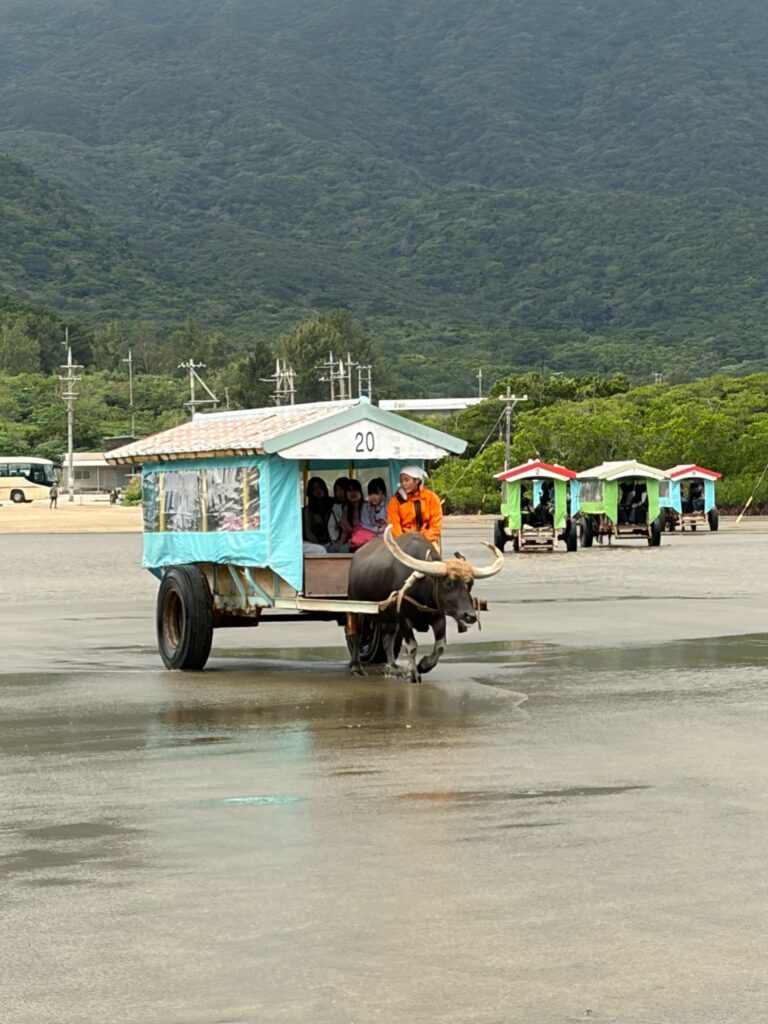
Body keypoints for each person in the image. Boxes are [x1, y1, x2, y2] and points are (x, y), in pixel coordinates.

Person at [387, 465, 442, 547]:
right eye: (401, 481)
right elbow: (394, 527)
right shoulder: (395, 501)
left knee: (435, 555)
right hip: (404, 542)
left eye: (407, 480)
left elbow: (435, 527)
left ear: (417, 480)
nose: (403, 484)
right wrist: (404, 542)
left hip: (427, 540)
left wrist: (423, 539)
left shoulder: (431, 498)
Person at [302, 476, 331, 548]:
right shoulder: (307, 511)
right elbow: (308, 531)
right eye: (315, 488)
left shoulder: (332, 505)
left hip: (331, 542)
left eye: (321, 487)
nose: (319, 490)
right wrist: (317, 545)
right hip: (313, 544)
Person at [340, 479, 365, 549]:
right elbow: (345, 531)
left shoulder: (367, 507)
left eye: (355, 490)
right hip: (353, 541)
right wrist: (340, 545)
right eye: (350, 490)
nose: (353, 493)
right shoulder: (346, 510)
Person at [327, 476, 349, 551]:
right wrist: (334, 539)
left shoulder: (357, 505)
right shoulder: (336, 507)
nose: (339, 493)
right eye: (337, 490)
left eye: (342, 489)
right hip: (340, 539)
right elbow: (331, 525)